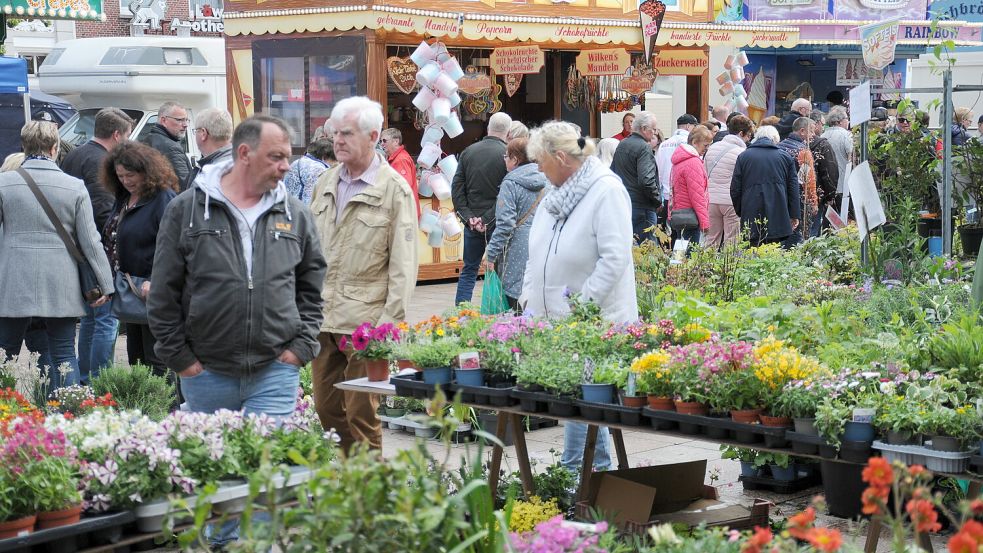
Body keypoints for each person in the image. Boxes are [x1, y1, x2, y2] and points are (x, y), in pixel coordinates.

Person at [521, 121, 637, 474]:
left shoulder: (606, 191)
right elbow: (535, 253)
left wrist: (581, 308)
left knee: (586, 402)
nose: (538, 168)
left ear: (560, 157)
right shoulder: (554, 194)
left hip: (594, 322)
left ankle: (589, 478)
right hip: (556, 319)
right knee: (573, 401)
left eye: (541, 160)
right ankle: (577, 475)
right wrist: (527, 297)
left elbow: (614, 258)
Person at [310, 96, 418, 453]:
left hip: (366, 320)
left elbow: (404, 264)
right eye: (335, 133)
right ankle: (348, 477)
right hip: (322, 316)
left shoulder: (393, 189)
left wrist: (389, 322)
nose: (337, 140)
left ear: (373, 137)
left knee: (360, 412)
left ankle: (371, 488)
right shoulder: (324, 182)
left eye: (347, 133)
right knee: (326, 408)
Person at [0, 121, 113, 388]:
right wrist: (105, 284)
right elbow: (90, 241)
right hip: (61, 279)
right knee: (63, 353)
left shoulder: (3, 183)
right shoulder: (74, 186)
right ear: (55, 148)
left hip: (13, 278)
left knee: (5, 353)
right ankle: (67, 416)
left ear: (24, 148)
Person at [60, 107, 132, 381]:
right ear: (116, 135)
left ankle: (85, 378)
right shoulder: (102, 161)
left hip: (74, 248)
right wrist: (113, 248)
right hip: (97, 250)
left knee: (90, 319)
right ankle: (100, 381)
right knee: (106, 320)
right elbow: (103, 211)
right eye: (126, 137)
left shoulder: (74, 155)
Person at [101, 141, 179, 373]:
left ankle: (166, 408)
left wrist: (156, 278)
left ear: (147, 171)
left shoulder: (162, 198)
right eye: (120, 175)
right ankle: (142, 406)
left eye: (131, 175)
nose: (126, 180)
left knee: (157, 358)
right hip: (130, 287)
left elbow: (173, 244)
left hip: (152, 288)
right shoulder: (124, 197)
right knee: (136, 357)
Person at [452, 111, 511, 305]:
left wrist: (469, 218)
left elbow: (457, 189)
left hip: (473, 221)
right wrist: (486, 219)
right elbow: (506, 195)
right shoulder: (508, 156)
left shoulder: (469, 152)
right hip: (498, 220)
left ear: (488, 128)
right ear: (508, 131)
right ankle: (503, 312)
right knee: (502, 269)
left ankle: (460, 312)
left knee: (469, 269)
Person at [483, 137, 549, 310]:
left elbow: (505, 224)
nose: (505, 159)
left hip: (517, 248)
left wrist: (491, 253)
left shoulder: (511, 183)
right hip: (544, 243)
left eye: (506, 156)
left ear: (516, 159)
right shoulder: (548, 180)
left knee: (515, 302)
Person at [731, 125, 800, 247]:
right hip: (778, 210)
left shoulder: (744, 156)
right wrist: (794, 214)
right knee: (774, 249)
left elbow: (735, 188)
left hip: (750, 208)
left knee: (752, 249)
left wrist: (741, 210)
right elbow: (793, 189)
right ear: (775, 139)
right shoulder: (785, 157)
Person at [611, 112, 662, 243]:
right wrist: (657, 200)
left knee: (630, 248)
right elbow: (646, 180)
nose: (655, 132)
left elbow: (613, 173)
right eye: (653, 129)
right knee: (647, 250)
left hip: (625, 204)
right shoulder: (644, 147)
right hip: (643, 207)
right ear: (644, 129)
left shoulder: (622, 144)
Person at [704, 115, 753, 248]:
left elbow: (705, 173)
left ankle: (705, 267)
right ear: (741, 133)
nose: (749, 139)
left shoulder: (712, 148)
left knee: (711, 239)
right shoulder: (742, 152)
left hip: (711, 200)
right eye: (748, 136)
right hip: (731, 202)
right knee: (732, 240)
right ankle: (729, 268)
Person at [670, 126, 713, 244]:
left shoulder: (679, 160)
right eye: (705, 145)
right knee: (690, 255)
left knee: (680, 252)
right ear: (695, 142)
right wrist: (704, 222)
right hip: (691, 217)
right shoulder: (693, 162)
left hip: (680, 215)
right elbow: (697, 196)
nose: (707, 148)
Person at [778, 117, 816, 244]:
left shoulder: (778, 147)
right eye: (811, 131)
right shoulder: (803, 152)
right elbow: (808, 181)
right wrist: (813, 202)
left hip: (779, 196)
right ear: (802, 131)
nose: (813, 135)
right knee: (797, 236)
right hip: (798, 200)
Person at [142, 101, 193, 184]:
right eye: (180, 120)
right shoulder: (172, 148)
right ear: (164, 120)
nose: (185, 125)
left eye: (186, 120)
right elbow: (184, 185)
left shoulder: (148, 139)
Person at [656, 114, 698, 212]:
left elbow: (658, 169)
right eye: (694, 126)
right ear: (688, 126)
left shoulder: (664, 144)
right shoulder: (690, 143)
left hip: (666, 194)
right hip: (685, 196)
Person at [185, 107, 233, 190]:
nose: (195, 135)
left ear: (203, 133)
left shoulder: (210, 174)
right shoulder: (240, 162)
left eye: (196, 131)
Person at [808, 111, 839, 236]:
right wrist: (830, 195)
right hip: (817, 195)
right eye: (822, 124)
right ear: (815, 124)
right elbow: (830, 171)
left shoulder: (789, 143)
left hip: (795, 196)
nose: (823, 128)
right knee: (813, 231)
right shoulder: (822, 144)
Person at [284, 133, 334, 205]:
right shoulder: (318, 170)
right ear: (325, 157)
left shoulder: (297, 162)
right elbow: (311, 201)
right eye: (336, 160)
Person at [380, 127, 420, 217]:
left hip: (404, 214)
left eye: (384, 141)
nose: (382, 144)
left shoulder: (400, 160)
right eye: (381, 141)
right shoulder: (396, 158)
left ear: (396, 141)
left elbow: (402, 189)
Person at [822, 106, 853, 213]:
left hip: (826, 186)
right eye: (847, 119)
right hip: (844, 184)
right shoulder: (847, 136)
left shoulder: (822, 136)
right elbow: (851, 158)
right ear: (839, 121)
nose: (848, 122)